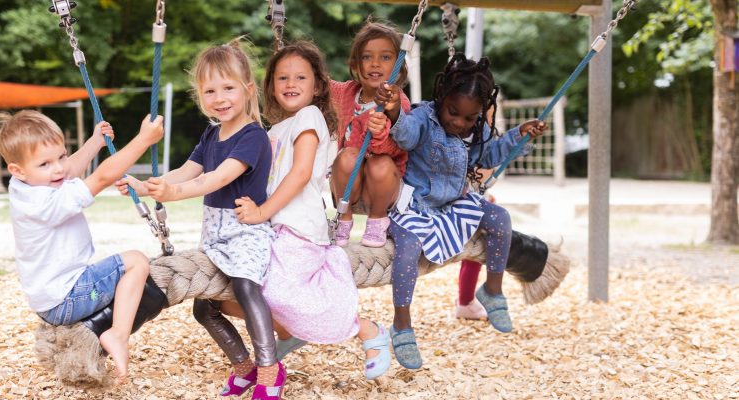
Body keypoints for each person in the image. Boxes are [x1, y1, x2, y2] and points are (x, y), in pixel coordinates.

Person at [122, 40, 285, 400]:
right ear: (200, 97)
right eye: (210, 90)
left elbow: (217, 178)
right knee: (203, 308)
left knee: (246, 287)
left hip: (246, 232)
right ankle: (243, 368)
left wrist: (175, 193)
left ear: (247, 90)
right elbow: (186, 171)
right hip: (214, 236)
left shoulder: (252, 136)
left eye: (228, 88)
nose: (219, 98)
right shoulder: (212, 135)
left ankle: (269, 371)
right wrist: (145, 185)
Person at [232, 41, 392, 379]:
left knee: (279, 291)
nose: (290, 84)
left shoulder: (310, 117)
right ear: (271, 87)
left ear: (318, 86)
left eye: (300, 78)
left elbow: (301, 173)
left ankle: (366, 330)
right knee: (248, 291)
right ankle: (289, 333)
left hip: (299, 225)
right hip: (275, 226)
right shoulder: (274, 129)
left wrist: (261, 212)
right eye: (282, 78)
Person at [378, 54, 546, 369]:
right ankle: (401, 324)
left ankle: (492, 290)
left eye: (468, 118)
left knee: (499, 217)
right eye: (453, 112)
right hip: (415, 204)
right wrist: (391, 111)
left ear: (479, 115)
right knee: (408, 248)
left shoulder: (475, 130)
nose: (458, 122)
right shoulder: (424, 118)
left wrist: (520, 135)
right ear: (441, 98)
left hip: (453, 204)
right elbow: (405, 134)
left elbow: (490, 154)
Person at [0, 109, 164, 383]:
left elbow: (68, 169)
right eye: (45, 164)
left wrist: (95, 142)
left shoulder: (24, 184)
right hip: (68, 297)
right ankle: (118, 335)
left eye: (60, 156)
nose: (58, 168)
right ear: (17, 169)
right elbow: (102, 177)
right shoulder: (43, 203)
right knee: (137, 261)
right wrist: (143, 140)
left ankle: (104, 327)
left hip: (49, 299)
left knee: (122, 266)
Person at [330, 19, 411, 248]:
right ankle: (343, 219)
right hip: (348, 188)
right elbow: (320, 83)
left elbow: (400, 146)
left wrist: (380, 134)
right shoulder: (347, 93)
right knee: (347, 156)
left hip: (383, 191)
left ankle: (377, 220)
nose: (375, 64)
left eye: (385, 57)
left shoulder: (397, 102)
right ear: (356, 64)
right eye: (367, 57)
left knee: (381, 163)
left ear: (399, 65)